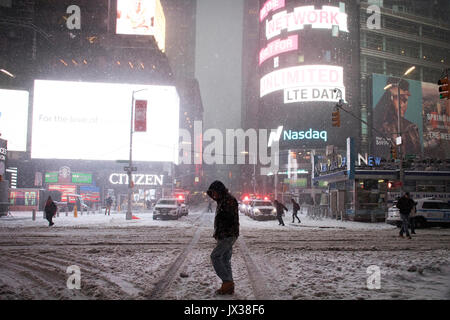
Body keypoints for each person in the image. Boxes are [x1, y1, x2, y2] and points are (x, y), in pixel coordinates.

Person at [372, 77, 421, 158]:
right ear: (388, 99)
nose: (402, 105)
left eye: (405, 100)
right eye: (398, 98)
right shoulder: (378, 125)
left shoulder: (411, 128)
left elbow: (417, 156)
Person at [207, 181, 239, 295]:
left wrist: (222, 231)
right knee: (225, 259)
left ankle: (227, 282)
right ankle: (228, 287)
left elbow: (229, 218)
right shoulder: (223, 200)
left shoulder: (228, 200)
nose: (213, 195)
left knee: (215, 256)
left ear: (219, 191)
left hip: (228, 234)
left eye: (214, 192)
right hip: (225, 234)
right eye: (212, 193)